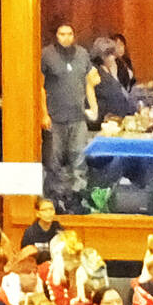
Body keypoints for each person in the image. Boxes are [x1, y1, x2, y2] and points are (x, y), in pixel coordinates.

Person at [41, 23, 95, 211]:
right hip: (54, 117)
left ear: (74, 36)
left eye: (69, 34)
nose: (66, 37)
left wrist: (93, 107)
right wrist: (43, 113)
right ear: (56, 36)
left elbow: (90, 81)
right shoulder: (46, 54)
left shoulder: (82, 54)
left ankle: (77, 198)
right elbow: (39, 86)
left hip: (78, 117)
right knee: (53, 160)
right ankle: (55, 200)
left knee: (79, 158)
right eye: (62, 34)